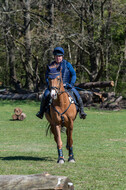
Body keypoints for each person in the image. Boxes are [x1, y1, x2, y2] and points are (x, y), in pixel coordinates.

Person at [36, 47, 87, 119]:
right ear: (54, 57)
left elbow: (73, 75)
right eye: (56, 56)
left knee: (77, 95)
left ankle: (82, 112)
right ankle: (41, 112)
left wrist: (71, 84)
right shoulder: (51, 66)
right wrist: (50, 85)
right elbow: (47, 77)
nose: (58, 58)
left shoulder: (67, 65)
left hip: (67, 86)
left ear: (62, 56)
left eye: (59, 56)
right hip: (53, 87)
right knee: (45, 95)